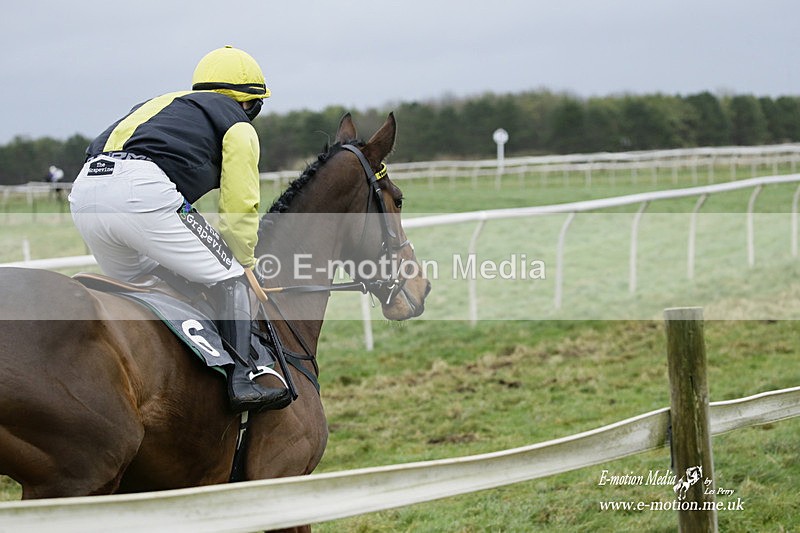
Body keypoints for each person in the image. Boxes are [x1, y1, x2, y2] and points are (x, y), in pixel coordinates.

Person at [68, 46, 289, 413]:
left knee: (150, 283)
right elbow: (239, 203)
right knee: (230, 273)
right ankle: (243, 380)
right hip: (140, 191)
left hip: (85, 193)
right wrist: (243, 260)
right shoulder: (236, 122)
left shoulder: (164, 104)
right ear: (252, 103)